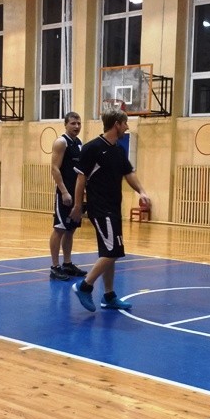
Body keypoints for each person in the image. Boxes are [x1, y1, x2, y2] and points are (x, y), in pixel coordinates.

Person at [70, 108, 150, 311]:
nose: (127, 127)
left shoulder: (119, 150)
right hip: (100, 208)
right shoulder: (92, 148)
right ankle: (84, 286)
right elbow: (80, 179)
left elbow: (129, 173)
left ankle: (108, 295)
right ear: (116, 124)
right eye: (125, 123)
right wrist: (78, 206)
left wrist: (141, 191)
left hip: (114, 208)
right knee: (113, 251)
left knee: (109, 252)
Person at [48, 112, 88, 281]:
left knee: (70, 229)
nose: (77, 126)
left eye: (79, 123)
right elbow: (54, 168)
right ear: (65, 124)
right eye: (73, 123)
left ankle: (67, 263)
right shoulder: (61, 142)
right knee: (60, 228)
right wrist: (64, 191)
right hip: (65, 193)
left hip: (76, 193)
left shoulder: (78, 143)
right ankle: (55, 267)